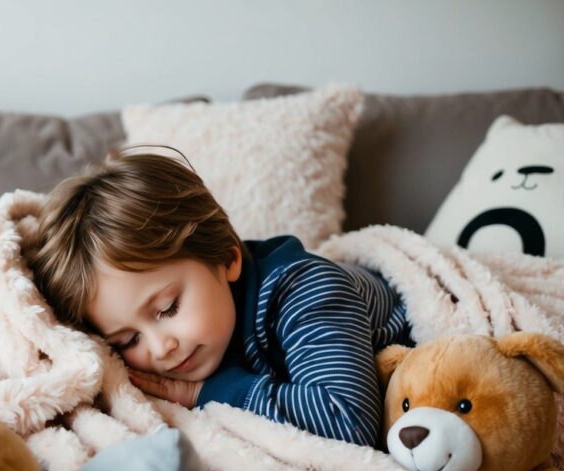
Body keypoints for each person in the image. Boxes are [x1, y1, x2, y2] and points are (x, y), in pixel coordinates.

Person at [29, 149, 412, 447]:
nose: (162, 348)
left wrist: (208, 393)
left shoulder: (304, 292)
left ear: (227, 258)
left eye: (168, 309)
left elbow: (347, 419)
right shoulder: (203, 333)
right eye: (128, 340)